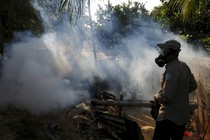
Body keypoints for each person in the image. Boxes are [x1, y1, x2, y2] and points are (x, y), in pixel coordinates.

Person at [152, 39, 197, 140]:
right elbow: (193, 85)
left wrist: (156, 97)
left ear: (172, 53)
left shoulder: (171, 70)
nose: (161, 54)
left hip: (168, 117)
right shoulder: (184, 66)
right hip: (181, 117)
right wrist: (180, 93)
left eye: (164, 52)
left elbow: (167, 96)